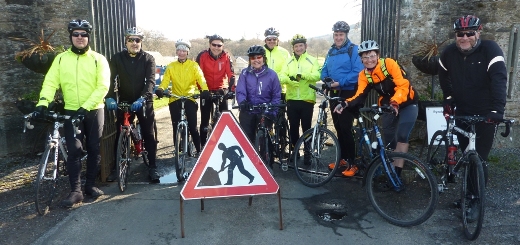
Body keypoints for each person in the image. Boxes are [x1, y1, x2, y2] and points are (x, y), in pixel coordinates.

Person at [33, 19, 110, 207]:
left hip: (93, 110)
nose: (80, 37)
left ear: (89, 37)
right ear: (70, 37)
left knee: (93, 148)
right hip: (71, 111)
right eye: (76, 34)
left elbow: (103, 86)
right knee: (74, 150)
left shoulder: (98, 59)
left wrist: (86, 107)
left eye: (84, 34)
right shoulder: (61, 58)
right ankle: (76, 191)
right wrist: (43, 102)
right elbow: (51, 82)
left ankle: (90, 185)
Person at [438, 15, 507, 216]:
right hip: (463, 111)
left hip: (486, 113)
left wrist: (497, 110)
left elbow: (499, 80)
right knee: (467, 155)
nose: (465, 37)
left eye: (470, 33)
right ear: (456, 35)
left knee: (480, 158)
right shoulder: (449, 53)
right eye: (460, 34)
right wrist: (449, 97)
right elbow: (443, 74)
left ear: (479, 32)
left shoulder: (490, 49)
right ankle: (467, 195)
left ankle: (476, 201)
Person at [334, 40, 419, 177]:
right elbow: (360, 95)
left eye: (372, 56)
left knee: (402, 135)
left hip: (407, 103)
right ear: (361, 59)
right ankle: (390, 172)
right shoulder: (364, 75)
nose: (369, 60)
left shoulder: (389, 64)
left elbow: (403, 85)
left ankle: (398, 173)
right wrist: (345, 103)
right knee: (390, 140)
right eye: (365, 57)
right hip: (387, 105)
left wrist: (395, 102)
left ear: (378, 55)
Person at [105, 27, 159, 181]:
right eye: (131, 40)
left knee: (148, 134)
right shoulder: (117, 58)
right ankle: (118, 167)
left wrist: (143, 98)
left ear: (141, 42)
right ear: (126, 41)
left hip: (143, 100)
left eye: (138, 40)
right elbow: (109, 79)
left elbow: (150, 81)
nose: (134, 43)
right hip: (125, 100)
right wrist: (109, 97)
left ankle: (153, 167)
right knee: (120, 131)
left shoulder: (148, 59)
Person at [321, 21, 364, 175]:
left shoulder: (353, 49)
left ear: (346, 35)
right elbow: (324, 68)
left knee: (346, 127)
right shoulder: (331, 51)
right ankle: (343, 158)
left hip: (348, 92)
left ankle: (353, 162)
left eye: (341, 35)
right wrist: (326, 79)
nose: (338, 37)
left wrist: (340, 83)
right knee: (338, 127)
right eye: (336, 35)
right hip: (334, 93)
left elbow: (357, 72)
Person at [155, 39, 209, 158]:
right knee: (175, 125)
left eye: (184, 50)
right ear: (176, 51)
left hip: (189, 98)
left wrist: (204, 90)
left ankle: (199, 151)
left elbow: (201, 78)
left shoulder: (194, 65)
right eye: (179, 50)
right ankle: (177, 152)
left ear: (188, 52)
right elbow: (165, 81)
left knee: (193, 127)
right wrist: (161, 89)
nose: (181, 53)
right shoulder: (171, 66)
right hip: (175, 98)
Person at [279, 34, 321, 164]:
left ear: (305, 46)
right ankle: (294, 152)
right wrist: (289, 81)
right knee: (293, 128)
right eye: (296, 46)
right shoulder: (288, 61)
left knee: (306, 127)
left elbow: (317, 75)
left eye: (301, 45)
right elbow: (281, 76)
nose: (298, 48)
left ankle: (308, 152)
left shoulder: (312, 60)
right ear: (293, 48)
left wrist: (304, 76)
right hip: (291, 99)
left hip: (307, 99)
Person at [235, 45, 282, 149]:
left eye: (258, 57)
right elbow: (240, 91)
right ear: (249, 60)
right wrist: (242, 102)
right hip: (249, 109)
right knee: (246, 140)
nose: (256, 60)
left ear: (264, 58)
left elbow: (276, 95)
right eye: (252, 58)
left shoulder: (272, 75)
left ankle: (268, 160)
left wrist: (272, 111)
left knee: (265, 142)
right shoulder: (244, 73)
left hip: (265, 110)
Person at [196, 34, 235, 148]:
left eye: (219, 45)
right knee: (204, 120)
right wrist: (202, 89)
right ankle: (203, 147)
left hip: (220, 89)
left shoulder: (226, 57)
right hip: (206, 90)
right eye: (214, 45)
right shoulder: (202, 56)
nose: (216, 47)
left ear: (223, 46)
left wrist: (231, 90)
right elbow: (198, 74)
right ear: (209, 44)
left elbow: (231, 74)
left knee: (224, 118)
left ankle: (225, 144)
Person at [263, 27, 291, 101]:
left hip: (280, 90)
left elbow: (289, 70)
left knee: (279, 112)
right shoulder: (260, 51)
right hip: (263, 90)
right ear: (265, 40)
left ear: (278, 40)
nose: (272, 41)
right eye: (269, 39)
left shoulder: (285, 53)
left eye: (274, 39)